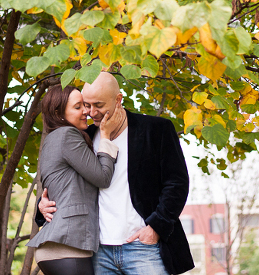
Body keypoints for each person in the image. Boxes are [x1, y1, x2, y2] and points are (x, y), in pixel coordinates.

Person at [37, 72, 194, 275]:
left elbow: (177, 184)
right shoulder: (84, 136)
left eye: (99, 105)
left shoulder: (155, 130)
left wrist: (156, 228)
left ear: (118, 99)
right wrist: (42, 206)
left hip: (143, 247)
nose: (91, 112)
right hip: (98, 252)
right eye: (86, 105)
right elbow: (65, 181)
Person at [27, 84, 126, 275]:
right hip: (67, 246)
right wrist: (105, 136)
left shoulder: (55, 138)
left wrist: (41, 205)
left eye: (84, 105)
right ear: (59, 113)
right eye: (78, 107)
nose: (86, 112)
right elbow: (103, 178)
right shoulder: (67, 135)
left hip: (62, 246)